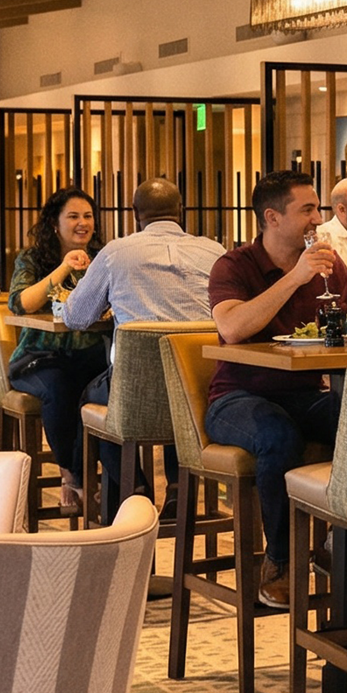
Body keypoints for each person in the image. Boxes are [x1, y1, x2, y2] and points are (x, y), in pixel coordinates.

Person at [206, 170, 347, 608]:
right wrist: (294, 278)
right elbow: (232, 329)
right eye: (307, 210)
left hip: (305, 392)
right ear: (272, 217)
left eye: (317, 208)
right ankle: (282, 561)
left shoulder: (331, 266)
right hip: (237, 396)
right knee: (278, 435)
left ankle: (340, 547)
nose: (318, 219)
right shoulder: (235, 265)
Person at [64, 178, 226, 522]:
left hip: (135, 392)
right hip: (203, 390)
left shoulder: (116, 253)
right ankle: (178, 487)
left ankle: (134, 490)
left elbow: (76, 317)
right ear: (180, 210)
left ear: (134, 212)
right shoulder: (214, 252)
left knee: (90, 397)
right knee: (175, 387)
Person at [7, 187, 107, 517]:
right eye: (73, 216)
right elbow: (21, 303)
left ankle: (98, 481)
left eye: (88, 216)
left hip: (89, 355)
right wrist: (64, 267)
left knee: (105, 390)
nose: (83, 223)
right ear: (54, 223)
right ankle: (76, 477)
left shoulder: (102, 259)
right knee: (61, 388)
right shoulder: (33, 259)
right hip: (38, 358)